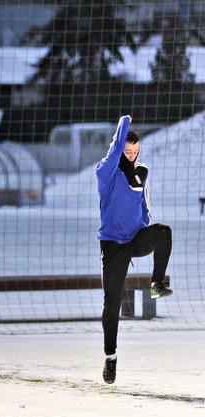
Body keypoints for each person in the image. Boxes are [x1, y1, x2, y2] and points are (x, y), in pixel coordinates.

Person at [97, 114, 172, 385]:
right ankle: (111, 358)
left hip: (134, 239)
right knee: (112, 304)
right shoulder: (105, 172)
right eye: (127, 151)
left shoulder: (141, 172)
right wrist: (122, 124)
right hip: (113, 246)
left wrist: (142, 224)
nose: (131, 155)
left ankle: (156, 284)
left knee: (163, 232)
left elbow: (144, 207)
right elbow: (115, 150)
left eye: (135, 151)